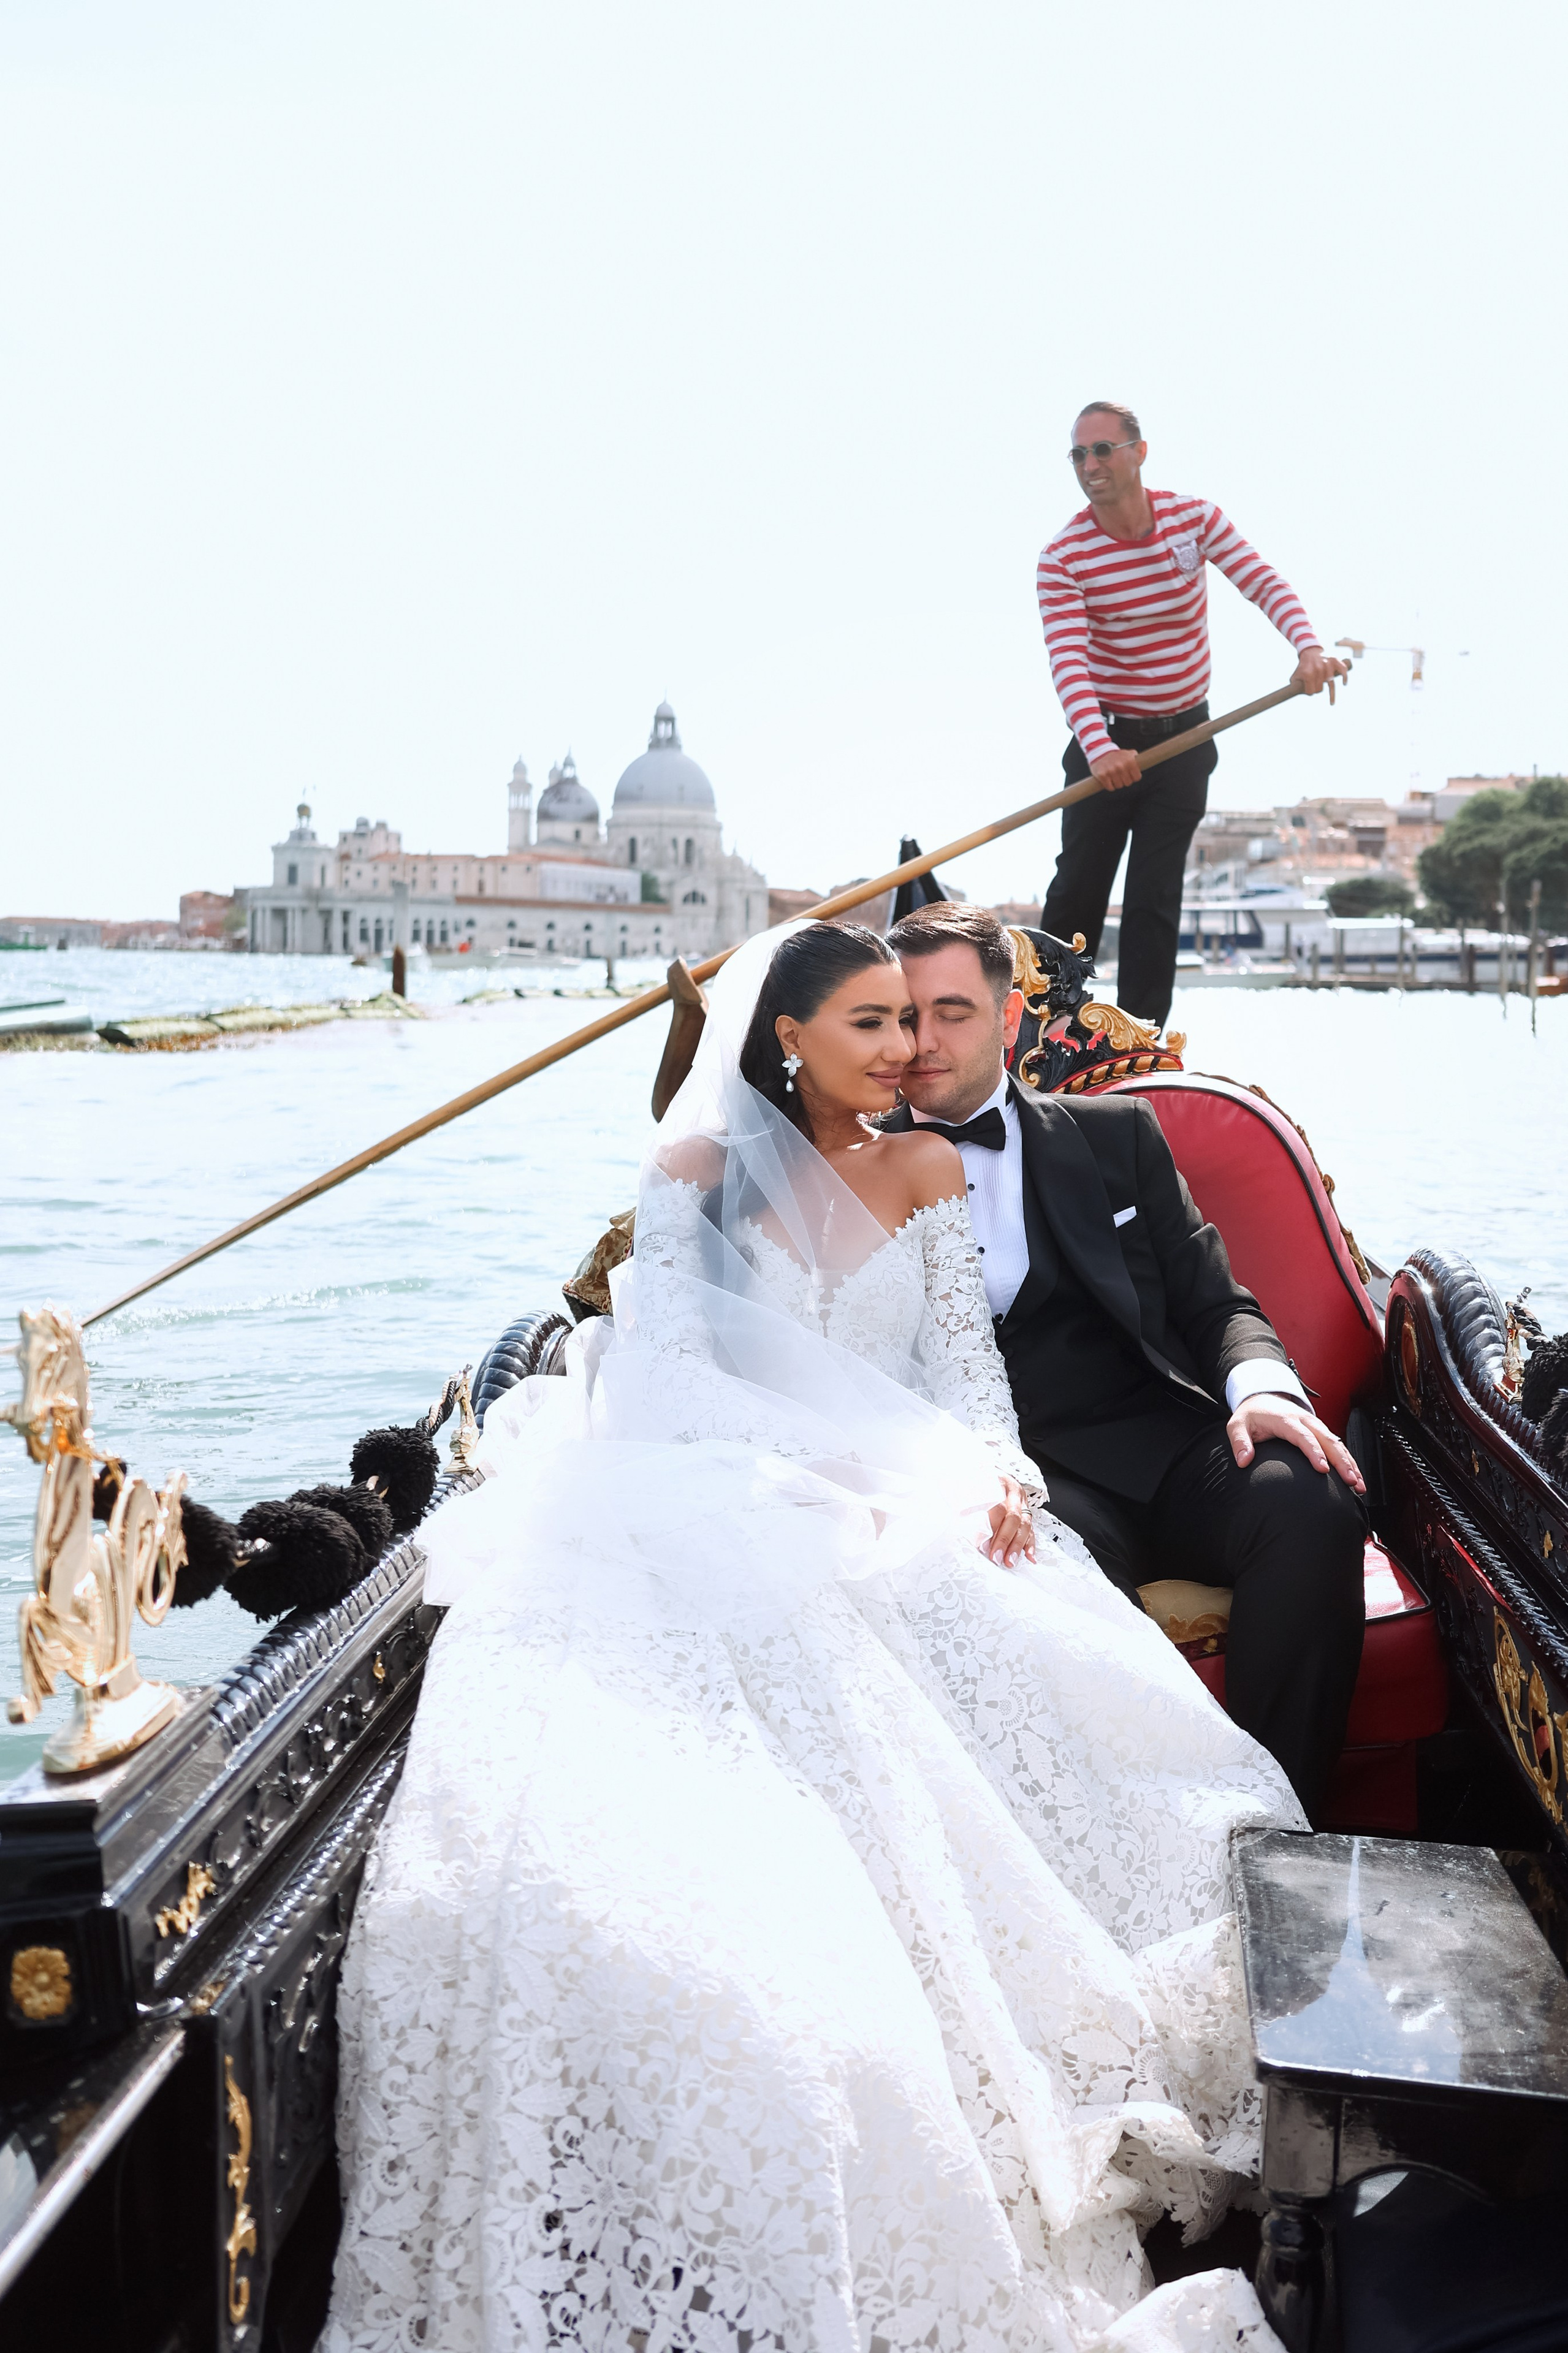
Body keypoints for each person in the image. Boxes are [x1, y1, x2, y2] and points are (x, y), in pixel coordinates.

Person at [324, 918, 1300, 2353]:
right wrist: (847, 1472)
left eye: (914, 1022)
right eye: (870, 1024)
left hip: (896, 1494)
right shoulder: (693, 1173)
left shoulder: (919, 1168)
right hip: (715, 1485)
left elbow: (966, 1379)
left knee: (1018, 1631)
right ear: (786, 1036)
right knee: (820, 1629)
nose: (905, 1051)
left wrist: (993, 1473)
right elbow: (665, 1383)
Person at [883, 899, 1366, 1820]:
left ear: (1009, 1018)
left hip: (1158, 1439)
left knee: (1307, 1500)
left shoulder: (1119, 1138)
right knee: (1035, 1578)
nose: (924, 1041)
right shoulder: (850, 1175)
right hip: (1008, 1475)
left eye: (952, 1011)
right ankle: (1125, 1838)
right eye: (905, 1015)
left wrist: (1260, 1388)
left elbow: (1212, 1300)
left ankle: (1284, 1823)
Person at [1037, 401, 1346, 1027]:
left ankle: (1139, 1040)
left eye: (1101, 449)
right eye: (1078, 454)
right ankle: (1041, 1027)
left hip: (1185, 739)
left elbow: (1261, 580)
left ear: (1138, 452)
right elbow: (1068, 661)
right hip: (1105, 741)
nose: (1089, 464)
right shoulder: (1063, 556)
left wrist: (1307, 647)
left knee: (1154, 897)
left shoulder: (1192, 519)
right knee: (1077, 891)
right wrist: (1099, 749)